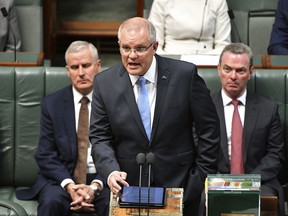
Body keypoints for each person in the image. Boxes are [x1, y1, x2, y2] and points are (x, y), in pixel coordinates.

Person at [89, 17, 220, 216]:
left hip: (181, 185)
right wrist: (110, 171)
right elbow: (99, 137)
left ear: (155, 46)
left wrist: (199, 177)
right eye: (126, 48)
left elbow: (209, 129)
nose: (131, 56)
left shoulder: (185, 75)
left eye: (140, 48)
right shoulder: (104, 83)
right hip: (128, 188)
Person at [16, 41, 109, 216]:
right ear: (68, 71)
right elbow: (45, 154)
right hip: (63, 177)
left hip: (102, 178)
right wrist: (69, 185)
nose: (81, 73)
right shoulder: (52, 104)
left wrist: (95, 186)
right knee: (52, 201)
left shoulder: (113, 103)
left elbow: (119, 151)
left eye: (86, 65)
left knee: (113, 205)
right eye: (75, 67)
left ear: (98, 66)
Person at [213, 43, 285, 215]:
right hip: (215, 180)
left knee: (268, 200)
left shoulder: (268, 109)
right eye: (227, 69)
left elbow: (275, 154)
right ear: (218, 70)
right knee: (201, 199)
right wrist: (217, 180)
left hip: (259, 180)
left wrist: (248, 182)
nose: (233, 76)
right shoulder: (204, 108)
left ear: (250, 72)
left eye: (240, 71)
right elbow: (197, 151)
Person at [148, 0, 231, 55]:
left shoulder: (218, 2)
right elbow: (154, 45)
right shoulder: (161, 1)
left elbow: (223, 45)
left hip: (207, 60)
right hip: (170, 59)